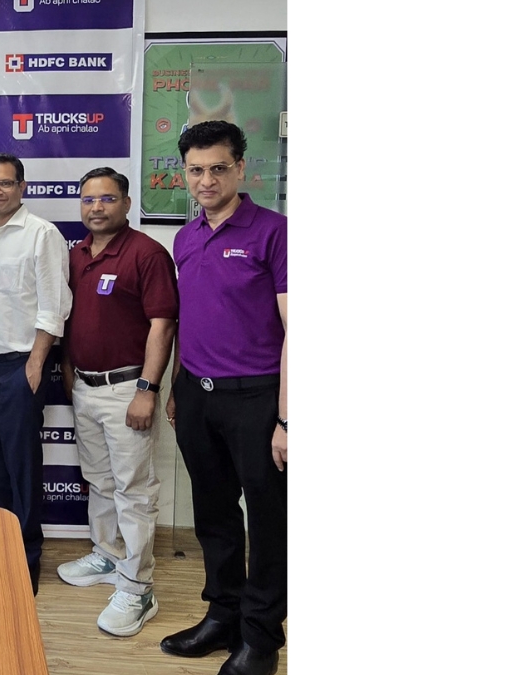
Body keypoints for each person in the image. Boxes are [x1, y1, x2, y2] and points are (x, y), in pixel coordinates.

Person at [161, 120, 287, 675]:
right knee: (213, 515)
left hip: (257, 398)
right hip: (197, 394)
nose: (206, 180)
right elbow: (189, 318)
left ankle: (261, 640)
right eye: (196, 170)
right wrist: (176, 385)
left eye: (218, 168)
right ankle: (223, 616)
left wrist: (288, 419)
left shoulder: (275, 232)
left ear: (240, 168)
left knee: (268, 521)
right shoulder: (185, 238)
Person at [55, 168, 178, 635]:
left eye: (107, 198)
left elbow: (163, 326)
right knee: (101, 481)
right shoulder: (76, 254)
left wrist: (148, 389)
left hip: (129, 388)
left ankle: (138, 588)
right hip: (86, 387)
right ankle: (108, 556)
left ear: (126, 203)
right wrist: (70, 372)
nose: (96, 207)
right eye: (88, 199)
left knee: (134, 490)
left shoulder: (147, 253)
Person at [0, 153, 71, 596]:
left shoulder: (42, 235)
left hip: (20, 366)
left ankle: (25, 559)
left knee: (21, 466)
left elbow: (54, 305)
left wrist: (36, 363)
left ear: (22, 187)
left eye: (5, 183)